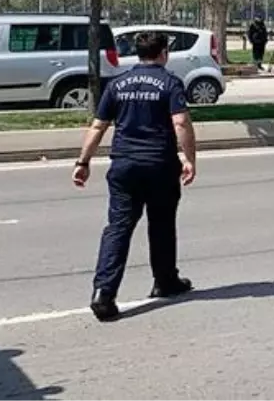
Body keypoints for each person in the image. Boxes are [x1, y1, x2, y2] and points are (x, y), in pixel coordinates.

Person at [72, 31, 198, 322]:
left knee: (118, 227)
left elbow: (98, 126)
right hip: (159, 165)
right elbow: (180, 122)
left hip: (124, 166)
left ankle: (103, 292)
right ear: (163, 53)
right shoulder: (169, 83)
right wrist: (189, 158)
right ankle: (165, 281)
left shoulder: (117, 85)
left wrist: (83, 161)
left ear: (138, 53)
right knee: (162, 225)